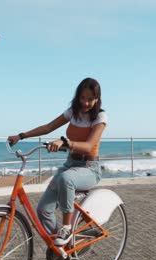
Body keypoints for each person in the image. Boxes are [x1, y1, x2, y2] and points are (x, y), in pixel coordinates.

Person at [8, 77, 107, 246]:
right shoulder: (73, 112)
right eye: (83, 98)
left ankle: (66, 228)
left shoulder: (100, 117)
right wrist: (21, 136)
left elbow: (89, 146)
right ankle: (64, 247)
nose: (85, 102)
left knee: (65, 179)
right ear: (78, 97)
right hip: (71, 165)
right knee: (43, 211)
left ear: (97, 99)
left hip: (90, 168)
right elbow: (48, 127)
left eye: (90, 99)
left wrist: (65, 142)